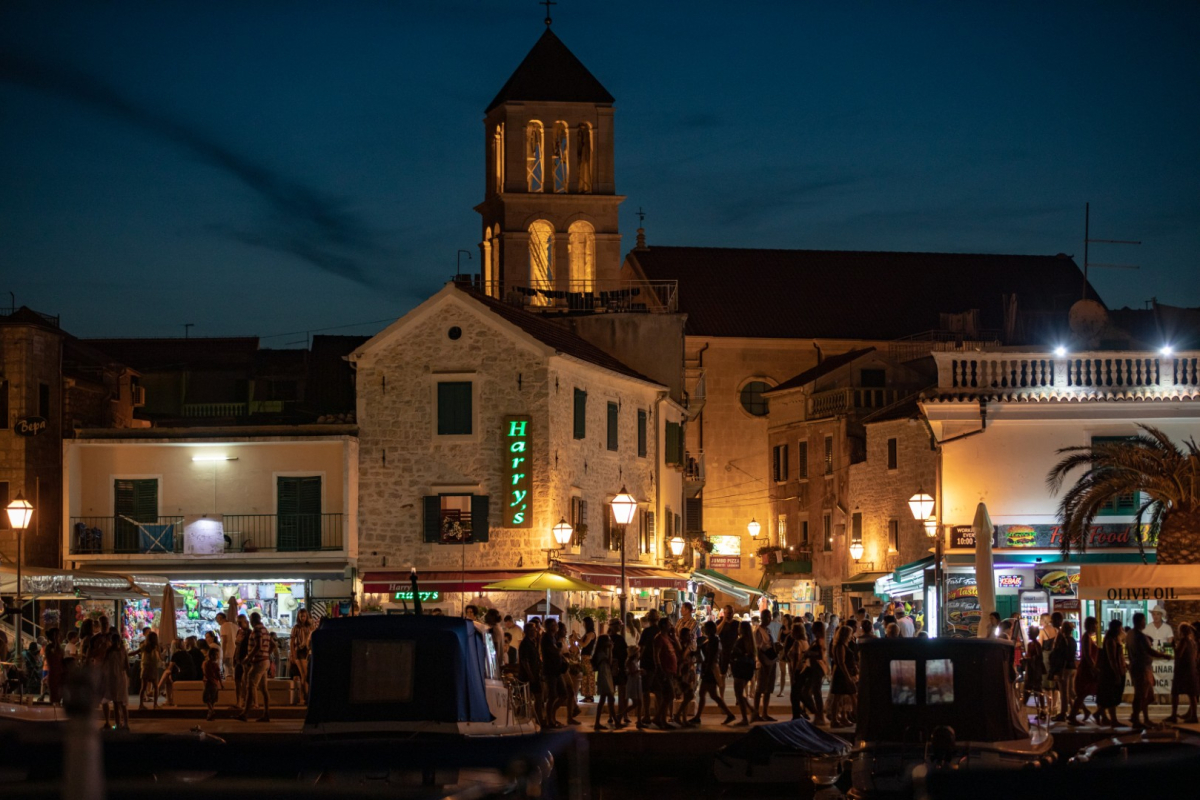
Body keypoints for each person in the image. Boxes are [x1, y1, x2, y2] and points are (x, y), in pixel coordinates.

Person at [1127, 611, 1168, 729]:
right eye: (1144, 620)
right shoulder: (1139, 635)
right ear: (1140, 621)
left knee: (1146, 695)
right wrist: (1164, 655)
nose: (1146, 622)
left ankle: (1142, 718)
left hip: (1139, 667)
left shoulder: (1130, 634)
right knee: (1142, 695)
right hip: (1142, 668)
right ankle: (1136, 718)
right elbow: (1149, 651)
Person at [692, 620, 736, 725]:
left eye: (706, 628)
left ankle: (729, 714)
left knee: (712, 695)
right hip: (709, 669)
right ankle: (698, 716)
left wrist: (706, 669)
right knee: (707, 694)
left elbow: (711, 656)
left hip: (710, 670)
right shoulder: (713, 639)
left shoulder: (713, 640)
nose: (704, 629)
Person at [236, 612, 273, 723]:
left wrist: (248, 657)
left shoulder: (256, 629)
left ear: (253, 620)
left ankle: (245, 714)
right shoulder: (265, 630)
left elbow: (258, 645)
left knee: (250, 686)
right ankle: (266, 713)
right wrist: (266, 654)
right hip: (265, 661)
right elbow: (272, 645)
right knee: (264, 689)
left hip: (258, 662)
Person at [1096, 619, 1126, 727]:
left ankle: (1101, 715)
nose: (1121, 629)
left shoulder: (1114, 638)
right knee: (1112, 696)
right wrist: (1117, 673)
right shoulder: (1110, 640)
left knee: (1110, 696)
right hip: (1111, 672)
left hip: (1117, 670)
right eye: (1120, 627)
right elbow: (1112, 658)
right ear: (1116, 628)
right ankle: (1113, 720)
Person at [1069, 617, 1099, 726]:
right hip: (1086, 669)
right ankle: (1073, 716)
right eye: (1095, 625)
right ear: (1091, 625)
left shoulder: (1088, 637)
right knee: (1082, 693)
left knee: (1084, 693)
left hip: (1087, 668)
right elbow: (1087, 654)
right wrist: (1093, 667)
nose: (1097, 627)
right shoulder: (1086, 637)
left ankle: (1085, 712)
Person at [1166, 622, 1198, 723]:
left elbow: (1178, 654)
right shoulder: (1192, 642)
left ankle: (1173, 715)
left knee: (1175, 692)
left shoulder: (1184, 641)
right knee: (1192, 693)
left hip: (1182, 670)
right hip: (1191, 669)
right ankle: (1194, 716)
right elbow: (1194, 656)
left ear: (1181, 631)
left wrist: (1172, 646)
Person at [799, 620, 828, 725]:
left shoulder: (820, 641)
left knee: (815, 693)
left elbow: (820, 655)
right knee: (809, 692)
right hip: (814, 668)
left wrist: (808, 653)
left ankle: (819, 715)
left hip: (817, 668)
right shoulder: (818, 640)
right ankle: (818, 714)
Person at [652, 618, 678, 729]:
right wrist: (659, 668)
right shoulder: (659, 638)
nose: (671, 625)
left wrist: (674, 635)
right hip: (664, 671)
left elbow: (679, 648)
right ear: (663, 626)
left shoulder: (668, 638)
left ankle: (661, 720)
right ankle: (658, 719)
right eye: (669, 624)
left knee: (667, 696)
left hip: (670, 671)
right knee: (669, 695)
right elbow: (656, 654)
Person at [752, 609, 777, 722]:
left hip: (771, 661)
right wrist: (763, 663)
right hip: (763, 662)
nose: (769, 619)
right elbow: (758, 648)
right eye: (767, 617)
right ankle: (756, 713)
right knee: (760, 688)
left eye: (770, 617)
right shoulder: (758, 631)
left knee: (768, 689)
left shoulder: (768, 630)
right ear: (762, 618)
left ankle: (764, 713)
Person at [729, 621, 756, 726]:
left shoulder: (740, 641)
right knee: (740, 693)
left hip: (740, 669)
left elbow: (735, 654)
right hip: (748, 669)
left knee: (739, 694)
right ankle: (751, 710)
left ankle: (745, 718)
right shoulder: (750, 641)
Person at [518, 618, 544, 726]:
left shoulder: (533, 642)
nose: (536, 632)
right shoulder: (525, 644)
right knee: (533, 697)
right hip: (529, 676)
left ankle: (537, 718)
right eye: (533, 630)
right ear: (528, 631)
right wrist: (531, 675)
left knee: (537, 697)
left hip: (534, 674)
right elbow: (525, 661)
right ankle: (535, 719)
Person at [1050, 620, 1077, 722]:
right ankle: (1075, 710)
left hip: (1065, 669)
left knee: (1064, 692)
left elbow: (1062, 656)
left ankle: (1063, 713)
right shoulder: (1073, 640)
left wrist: (1059, 670)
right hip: (1072, 667)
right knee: (1070, 691)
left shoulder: (1063, 641)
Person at [540, 618, 565, 728]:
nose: (556, 626)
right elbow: (555, 651)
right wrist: (559, 649)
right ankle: (549, 719)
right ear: (549, 626)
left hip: (557, 670)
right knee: (552, 695)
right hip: (550, 671)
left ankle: (552, 716)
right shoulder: (546, 638)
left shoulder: (553, 637)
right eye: (554, 625)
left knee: (563, 694)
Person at [829, 625, 856, 727]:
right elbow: (841, 662)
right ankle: (835, 720)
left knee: (842, 697)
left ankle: (842, 718)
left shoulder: (843, 644)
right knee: (838, 697)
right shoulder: (840, 646)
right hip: (841, 674)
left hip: (842, 673)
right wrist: (848, 676)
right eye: (850, 633)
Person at [103, 631, 130, 730]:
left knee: (115, 702)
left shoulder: (109, 651)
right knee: (123, 702)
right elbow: (127, 666)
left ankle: (117, 724)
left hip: (112, 677)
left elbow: (104, 665)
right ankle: (126, 724)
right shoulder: (123, 650)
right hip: (122, 677)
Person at [289, 607, 315, 703]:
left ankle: (303, 697)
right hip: (300, 651)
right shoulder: (296, 628)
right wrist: (293, 654)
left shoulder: (309, 627)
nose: (302, 618)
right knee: (304, 676)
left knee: (304, 676)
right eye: (300, 616)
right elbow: (292, 642)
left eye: (303, 616)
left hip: (307, 652)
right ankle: (305, 697)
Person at [674, 626, 699, 726]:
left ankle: (683, 719)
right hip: (683, 673)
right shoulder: (682, 645)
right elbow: (682, 657)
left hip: (688, 672)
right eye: (688, 635)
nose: (690, 637)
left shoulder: (687, 645)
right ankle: (679, 715)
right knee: (688, 695)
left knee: (688, 696)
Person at [591, 633, 616, 730]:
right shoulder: (601, 653)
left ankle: (599, 722)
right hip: (604, 675)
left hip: (606, 675)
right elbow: (609, 662)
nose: (610, 642)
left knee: (607, 699)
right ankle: (598, 722)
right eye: (608, 640)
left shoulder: (600, 652)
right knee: (607, 698)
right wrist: (610, 650)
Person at [607, 619, 629, 727]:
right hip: (619, 667)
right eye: (619, 626)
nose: (620, 628)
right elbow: (625, 653)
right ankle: (621, 714)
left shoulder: (608, 638)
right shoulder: (619, 639)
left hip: (612, 667)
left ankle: (613, 715)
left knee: (613, 692)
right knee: (621, 693)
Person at [132, 631, 162, 711]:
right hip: (153, 667)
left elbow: (135, 652)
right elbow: (159, 657)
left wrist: (126, 654)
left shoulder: (144, 646)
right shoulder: (156, 647)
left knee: (143, 687)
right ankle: (155, 704)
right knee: (155, 686)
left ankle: (141, 704)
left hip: (145, 666)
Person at [715, 605, 739, 701]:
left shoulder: (737, 624)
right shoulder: (719, 622)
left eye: (731, 613)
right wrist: (724, 620)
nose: (729, 615)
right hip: (723, 652)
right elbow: (716, 632)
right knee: (722, 675)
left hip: (734, 652)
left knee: (737, 676)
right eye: (727, 613)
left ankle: (738, 697)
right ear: (724, 613)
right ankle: (721, 697)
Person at [579, 616, 597, 703]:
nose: (583, 625)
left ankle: (590, 695)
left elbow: (584, 644)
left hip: (588, 657)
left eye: (584, 623)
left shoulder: (591, 634)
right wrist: (576, 638)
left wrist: (576, 639)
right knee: (585, 676)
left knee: (588, 676)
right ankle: (587, 695)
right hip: (584, 657)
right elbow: (580, 641)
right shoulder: (587, 633)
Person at [203, 646, 224, 721]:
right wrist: (221, 684)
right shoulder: (216, 665)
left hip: (209, 683)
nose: (217, 656)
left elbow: (206, 674)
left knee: (206, 698)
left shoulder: (207, 664)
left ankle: (211, 711)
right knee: (213, 699)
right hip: (215, 683)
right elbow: (218, 675)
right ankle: (210, 713)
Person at [626, 645, 644, 727]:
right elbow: (632, 672)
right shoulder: (630, 662)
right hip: (633, 682)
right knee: (636, 703)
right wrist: (639, 671)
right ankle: (621, 714)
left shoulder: (635, 661)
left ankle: (639, 721)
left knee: (639, 703)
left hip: (637, 682)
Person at [217, 612, 237, 680]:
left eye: (217, 620)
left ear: (220, 618)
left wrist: (223, 654)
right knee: (234, 672)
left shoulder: (224, 626)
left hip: (228, 653)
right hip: (235, 652)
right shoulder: (235, 626)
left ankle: (230, 687)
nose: (217, 622)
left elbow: (224, 641)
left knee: (228, 673)